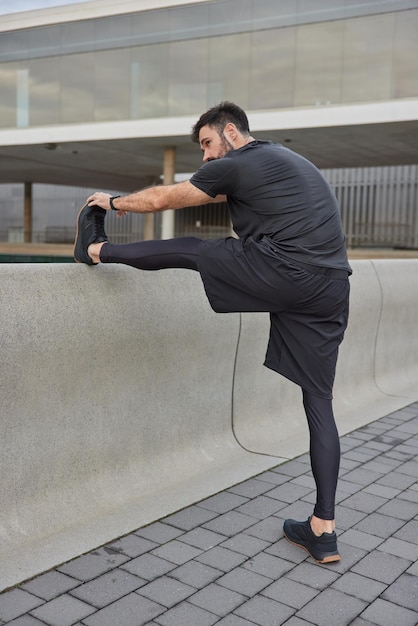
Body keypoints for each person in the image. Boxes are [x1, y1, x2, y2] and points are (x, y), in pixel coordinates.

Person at [74, 101, 351, 564]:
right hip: (331, 285)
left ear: (231, 132)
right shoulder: (286, 161)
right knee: (318, 400)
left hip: (287, 270)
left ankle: (95, 249)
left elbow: (164, 198)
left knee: (193, 249)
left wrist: (112, 201)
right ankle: (323, 529)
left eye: (206, 143)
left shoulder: (239, 162)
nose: (205, 156)